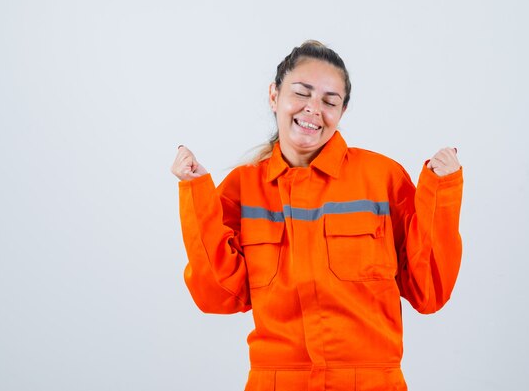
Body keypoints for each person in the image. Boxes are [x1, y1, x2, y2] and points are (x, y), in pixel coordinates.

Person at [171, 40, 463, 391]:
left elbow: (427, 291)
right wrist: (196, 193)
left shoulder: (380, 177)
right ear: (273, 96)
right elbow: (217, 296)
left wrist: (441, 192)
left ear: (342, 112)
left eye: (329, 101)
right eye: (302, 93)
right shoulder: (243, 187)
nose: (313, 109)